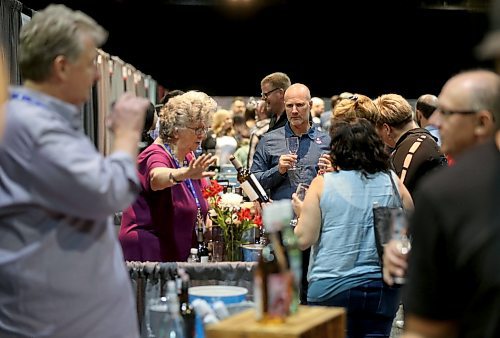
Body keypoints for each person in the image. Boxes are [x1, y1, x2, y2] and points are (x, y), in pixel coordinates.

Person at [0, 5, 150, 337]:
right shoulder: (34, 127)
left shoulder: (37, 121)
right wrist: (126, 134)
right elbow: (110, 192)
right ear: (62, 67)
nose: (97, 76)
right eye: (89, 65)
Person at [382, 70, 500, 337]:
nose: (435, 120)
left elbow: (427, 329)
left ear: (482, 122)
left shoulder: (444, 192)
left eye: (447, 113)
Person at [292, 117, 413, 338]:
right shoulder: (391, 180)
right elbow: (410, 217)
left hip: (331, 286)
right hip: (382, 288)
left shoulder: (322, 184)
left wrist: (302, 214)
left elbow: (303, 239)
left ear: (338, 149)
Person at [119, 91, 217, 262]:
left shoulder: (187, 156)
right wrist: (183, 174)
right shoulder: (157, 155)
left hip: (172, 252)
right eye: (197, 129)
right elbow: (157, 178)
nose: (203, 134)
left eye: (205, 128)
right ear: (176, 130)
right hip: (147, 257)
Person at [374, 93, 447, 196]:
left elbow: (397, 200)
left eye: (379, 134)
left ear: (387, 129)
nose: (380, 139)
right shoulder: (426, 140)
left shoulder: (408, 151)